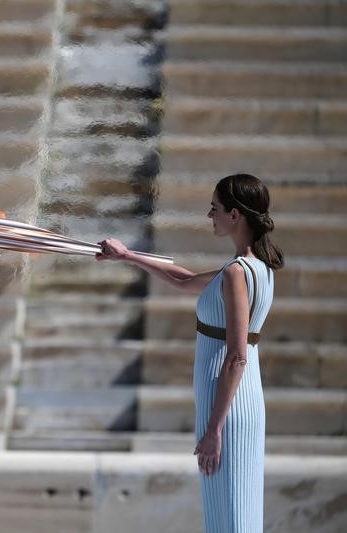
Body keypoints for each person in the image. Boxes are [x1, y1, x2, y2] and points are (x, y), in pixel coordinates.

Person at [96, 173, 283, 532]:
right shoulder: (256, 269)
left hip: (226, 409)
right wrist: (127, 256)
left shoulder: (236, 274)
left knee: (230, 519)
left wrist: (214, 428)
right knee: (234, 516)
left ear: (235, 215)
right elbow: (184, 280)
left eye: (214, 209)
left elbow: (237, 356)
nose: (208, 216)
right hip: (239, 404)